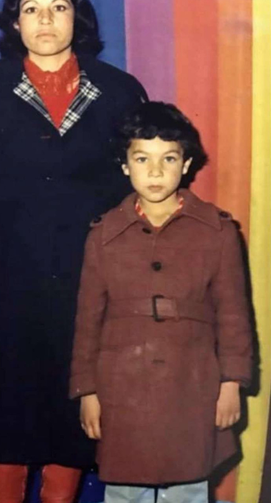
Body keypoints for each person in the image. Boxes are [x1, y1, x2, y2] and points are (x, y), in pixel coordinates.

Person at [0, 0, 147, 502]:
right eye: (31, 8)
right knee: (7, 405)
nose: (45, 19)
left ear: (77, 17)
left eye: (58, 6)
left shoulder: (121, 91)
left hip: (89, 281)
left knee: (74, 407)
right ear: (14, 22)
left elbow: (138, 193)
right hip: (7, 281)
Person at [70, 101, 252, 503]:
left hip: (193, 384)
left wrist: (231, 384)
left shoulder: (217, 232)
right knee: (123, 488)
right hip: (121, 387)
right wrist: (87, 391)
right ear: (124, 165)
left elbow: (234, 314)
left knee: (188, 486)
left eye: (168, 158)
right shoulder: (103, 235)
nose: (155, 172)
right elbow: (87, 321)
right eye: (142, 159)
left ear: (185, 164)